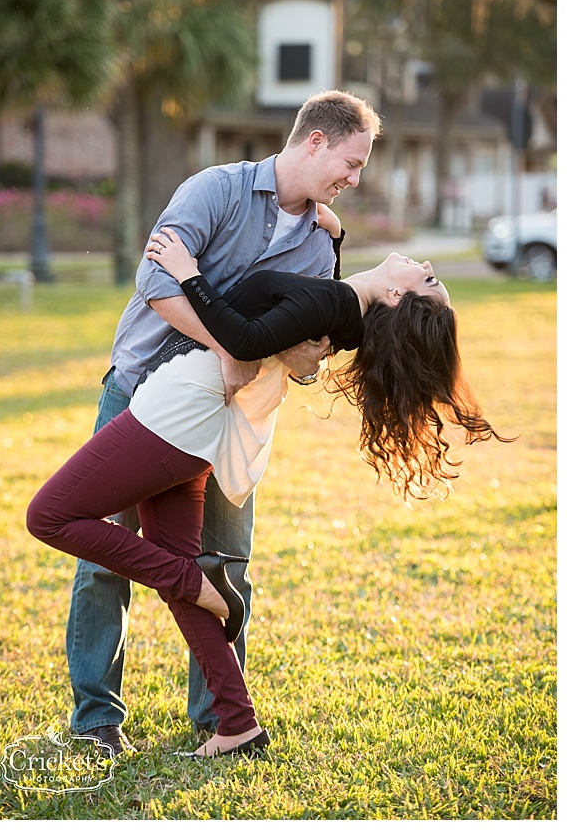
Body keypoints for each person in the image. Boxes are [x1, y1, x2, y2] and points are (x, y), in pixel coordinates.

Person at [29, 229, 507, 756]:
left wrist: (188, 272)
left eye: (428, 277)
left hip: (177, 413)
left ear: (396, 296)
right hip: (197, 422)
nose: (425, 261)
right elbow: (304, 309)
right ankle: (238, 724)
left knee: (48, 516)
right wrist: (337, 237)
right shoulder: (340, 310)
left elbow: (248, 340)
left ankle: (192, 581)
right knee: (178, 571)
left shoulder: (334, 304)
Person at [65, 90, 381, 756]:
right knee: (102, 557)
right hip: (138, 390)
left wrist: (300, 357)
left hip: (232, 419)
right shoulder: (215, 190)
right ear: (316, 140)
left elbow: (304, 357)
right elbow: (157, 285)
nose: (353, 181)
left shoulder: (321, 247)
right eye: (351, 164)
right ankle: (97, 718)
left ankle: (218, 717)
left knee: (226, 561)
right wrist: (230, 345)